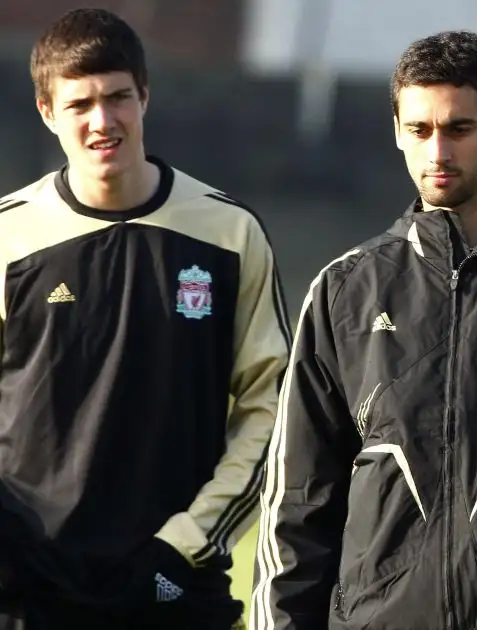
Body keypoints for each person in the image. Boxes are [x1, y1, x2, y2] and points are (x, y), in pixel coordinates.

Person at [249, 30, 477, 630]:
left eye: (459, 129)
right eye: (419, 131)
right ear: (397, 131)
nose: (438, 151)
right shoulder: (346, 290)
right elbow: (298, 504)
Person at [0, 7, 291, 629]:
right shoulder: (8, 237)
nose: (103, 121)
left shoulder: (228, 233)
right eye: (80, 105)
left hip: (173, 587)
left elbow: (271, 411)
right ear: (48, 113)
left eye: (118, 98)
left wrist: (188, 544)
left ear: (145, 96)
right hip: (29, 587)